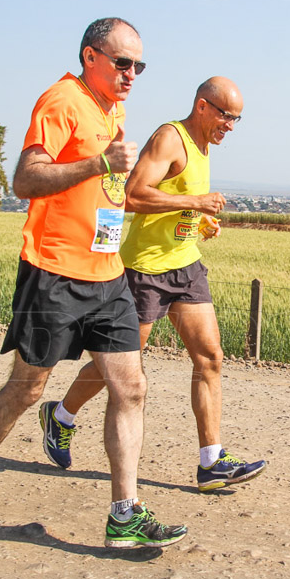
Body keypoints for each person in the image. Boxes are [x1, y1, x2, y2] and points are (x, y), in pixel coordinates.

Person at [0, 17, 187, 549]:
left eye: (138, 66)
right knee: (28, 389)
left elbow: (107, 188)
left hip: (106, 275)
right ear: (90, 57)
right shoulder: (60, 101)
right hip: (52, 272)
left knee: (131, 386)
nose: (131, 74)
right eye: (122, 62)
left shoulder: (112, 108)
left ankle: (125, 512)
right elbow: (25, 179)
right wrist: (98, 163)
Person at [37, 77, 267, 493]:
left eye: (237, 118)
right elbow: (133, 195)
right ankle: (61, 416)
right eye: (225, 115)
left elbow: (176, 199)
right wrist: (195, 203)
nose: (231, 125)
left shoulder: (203, 143)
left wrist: (199, 221)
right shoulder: (170, 138)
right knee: (121, 364)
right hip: (144, 272)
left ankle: (211, 462)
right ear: (202, 106)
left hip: (185, 266)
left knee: (210, 357)